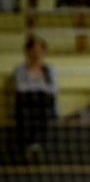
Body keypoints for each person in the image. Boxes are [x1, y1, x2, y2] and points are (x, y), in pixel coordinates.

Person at [13, 34, 57, 162]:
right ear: (28, 52)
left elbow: (52, 90)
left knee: (42, 106)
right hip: (27, 105)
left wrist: (35, 90)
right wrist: (39, 89)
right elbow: (20, 88)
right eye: (33, 50)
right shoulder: (20, 70)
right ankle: (28, 147)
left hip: (43, 105)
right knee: (27, 107)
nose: (36, 54)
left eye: (40, 51)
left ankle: (37, 146)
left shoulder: (49, 70)